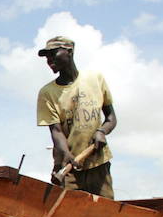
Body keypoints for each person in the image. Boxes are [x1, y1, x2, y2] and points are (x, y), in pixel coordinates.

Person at [35, 36, 116, 199]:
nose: (49, 60)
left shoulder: (95, 79)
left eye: (53, 54)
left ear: (69, 51)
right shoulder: (47, 93)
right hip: (69, 167)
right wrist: (66, 155)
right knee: (70, 216)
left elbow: (111, 118)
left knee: (105, 214)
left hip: (98, 162)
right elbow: (56, 131)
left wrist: (101, 132)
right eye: (46, 57)